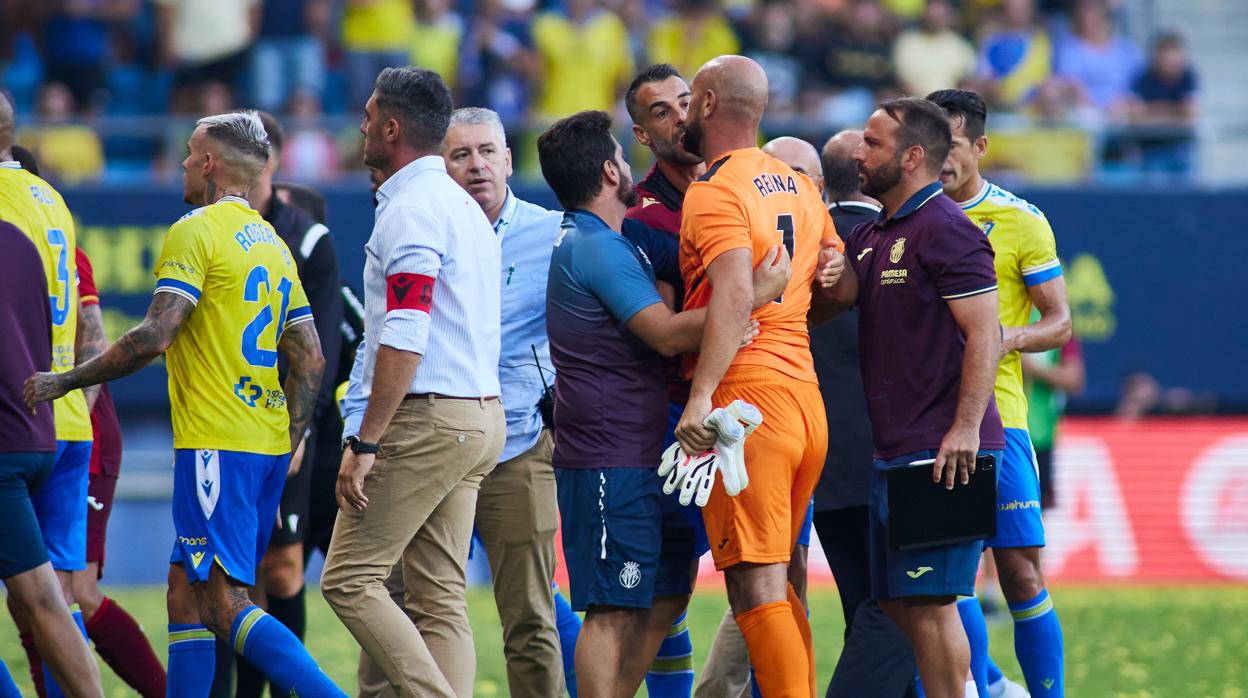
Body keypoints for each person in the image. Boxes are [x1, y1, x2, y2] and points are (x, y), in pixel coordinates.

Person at [23, 110, 343, 698]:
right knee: (184, 595)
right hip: (264, 443)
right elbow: (312, 360)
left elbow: (153, 335)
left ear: (211, 164)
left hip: (216, 445)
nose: (184, 164)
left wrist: (64, 381)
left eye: (190, 154)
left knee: (223, 605)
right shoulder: (272, 242)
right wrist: (287, 447)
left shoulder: (196, 230)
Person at [539, 109, 787, 698]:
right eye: (622, 158)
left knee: (639, 600)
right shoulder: (598, 248)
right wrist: (755, 295)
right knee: (611, 610)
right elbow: (669, 334)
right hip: (608, 459)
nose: (629, 167)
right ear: (607, 170)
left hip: (625, 453)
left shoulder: (594, 242)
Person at [319, 67, 506, 698]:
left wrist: (365, 442)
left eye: (369, 117)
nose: (362, 126)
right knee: (438, 597)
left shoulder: (413, 209)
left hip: (429, 419)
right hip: (479, 415)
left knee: (348, 579)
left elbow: (404, 332)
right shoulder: (458, 205)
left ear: (392, 128)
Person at [826, 96, 1005, 698]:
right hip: (893, 450)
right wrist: (842, 282)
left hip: (941, 451)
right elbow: (848, 303)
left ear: (913, 156)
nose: (858, 152)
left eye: (872, 143)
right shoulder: (877, 231)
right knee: (902, 603)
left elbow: (986, 334)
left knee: (927, 604)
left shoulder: (949, 230)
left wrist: (964, 429)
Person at [675, 55, 841, 697]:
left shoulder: (714, 189)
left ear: (709, 105)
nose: (685, 113)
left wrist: (700, 396)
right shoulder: (798, 184)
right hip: (805, 400)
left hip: (748, 404)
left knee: (755, 582)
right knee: (779, 577)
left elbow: (735, 293)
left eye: (691, 101)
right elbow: (842, 281)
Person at [929, 88, 1072, 698]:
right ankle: (986, 687)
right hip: (924, 422)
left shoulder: (1021, 219)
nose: (939, 158)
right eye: (929, 145)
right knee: (947, 579)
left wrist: (1002, 338)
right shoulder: (908, 217)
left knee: (1017, 573)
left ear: (980, 147)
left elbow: (1060, 322)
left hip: (1001, 419)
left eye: (952, 145)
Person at [214, 111, 343, 698]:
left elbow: (320, 350)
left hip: (285, 430)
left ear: (268, 161)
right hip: (222, 427)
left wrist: (300, 433)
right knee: (224, 579)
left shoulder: (307, 237)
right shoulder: (205, 229)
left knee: (282, 568)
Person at [442, 107, 567, 697]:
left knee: (531, 620)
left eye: (487, 151)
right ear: (440, 166)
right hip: (436, 447)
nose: (476, 166)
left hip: (518, 445)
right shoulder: (425, 228)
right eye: (461, 155)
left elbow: (593, 325)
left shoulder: (553, 232)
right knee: (419, 612)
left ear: (509, 160)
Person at [812, 129, 920, 698]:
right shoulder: (900, 238)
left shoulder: (811, 242)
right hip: (899, 453)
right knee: (906, 609)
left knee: (865, 612)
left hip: (825, 462)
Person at [0, 94, 99, 698]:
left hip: (11, 409)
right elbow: (85, 323)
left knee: (41, 601)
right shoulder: (48, 198)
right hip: (58, 414)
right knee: (54, 598)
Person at [74, 247, 167, 698]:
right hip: (30, 437)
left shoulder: (57, 244)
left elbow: (93, 337)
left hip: (77, 441)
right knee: (33, 597)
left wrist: (71, 438)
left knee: (73, 591)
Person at [1023, 331, 1084, 511]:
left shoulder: (1056, 322)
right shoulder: (1003, 315)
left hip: (1040, 434)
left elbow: (1074, 378)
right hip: (1003, 432)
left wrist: (1034, 370)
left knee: (1036, 508)